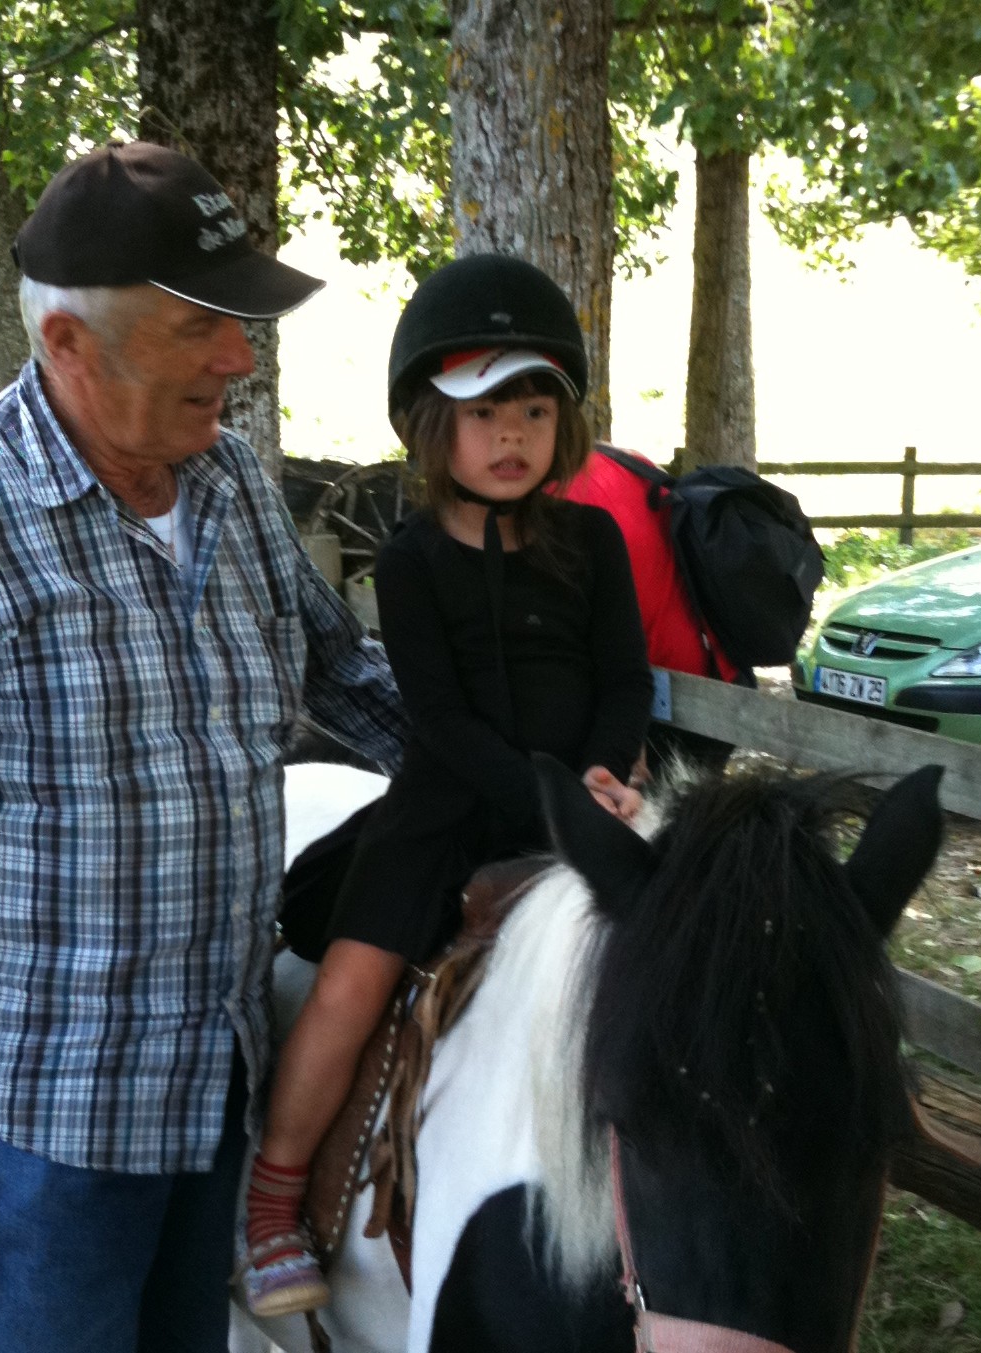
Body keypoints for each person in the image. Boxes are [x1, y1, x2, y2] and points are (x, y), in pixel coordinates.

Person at [0, 140, 408, 1353]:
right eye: (200, 327)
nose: (240, 357)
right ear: (67, 344)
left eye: (242, 324)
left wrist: (538, 782)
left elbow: (349, 679)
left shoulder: (226, 486)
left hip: (212, 1093)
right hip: (31, 1136)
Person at [240, 253, 654, 1317]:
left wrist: (606, 780)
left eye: (530, 409)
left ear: (563, 423)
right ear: (432, 427)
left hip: (591, 802)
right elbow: (441, 718)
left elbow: (622, 677)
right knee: (352, 982)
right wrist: (547, 796)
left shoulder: (596, 539)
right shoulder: (415, 557)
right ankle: (275, 1201)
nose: (508, 436)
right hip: (448, 805)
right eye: (481, 414)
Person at [561, 449, 744, 774]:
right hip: (719, 670)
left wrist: (628, 739)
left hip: (660, 700)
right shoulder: (622, 461)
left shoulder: (558, 509)